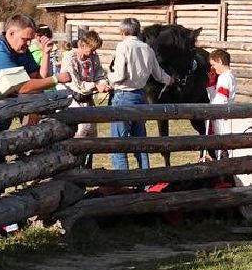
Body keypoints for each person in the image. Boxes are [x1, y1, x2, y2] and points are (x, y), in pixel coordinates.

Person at [107, 17, 172, 171]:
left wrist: (109, 75)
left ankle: (122, 180)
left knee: (118, 144)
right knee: (140, 143)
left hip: (123, 95)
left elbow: (119, 75)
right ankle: (145, 178)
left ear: (123, 31)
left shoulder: (123, 46)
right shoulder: (147, 48)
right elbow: (159, 74)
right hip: (140, 96)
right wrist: (170, 80)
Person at [0, 13, 67, 93]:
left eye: (30, 40)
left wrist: (45, 53)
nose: (28, 44)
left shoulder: (22, 49)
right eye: (25, 39)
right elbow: (20, 87)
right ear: (11, 33)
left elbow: (39, 78)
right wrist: (56, 79)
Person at [60, 30, 111, 166]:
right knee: (79, 133)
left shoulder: (93, 57)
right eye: (91, 49)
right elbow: (76, 84)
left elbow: (99, 72)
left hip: (87, 99)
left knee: (91, 134)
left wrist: (103, 83)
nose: (93, 52)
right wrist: (95, 86)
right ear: (82, 45)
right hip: (72, 100)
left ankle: (87, 165)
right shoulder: (70, 58)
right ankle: (72, 164)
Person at [203, 48, 235, 160]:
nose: (213, 67)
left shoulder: (225, 77)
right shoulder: (225, 76)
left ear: (220, 61)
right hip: (219, 114)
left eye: (214, 64)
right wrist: (211, 86)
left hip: (221, 116)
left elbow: (221, 100)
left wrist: (213, 111)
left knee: (221, 145)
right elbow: (217, 97)